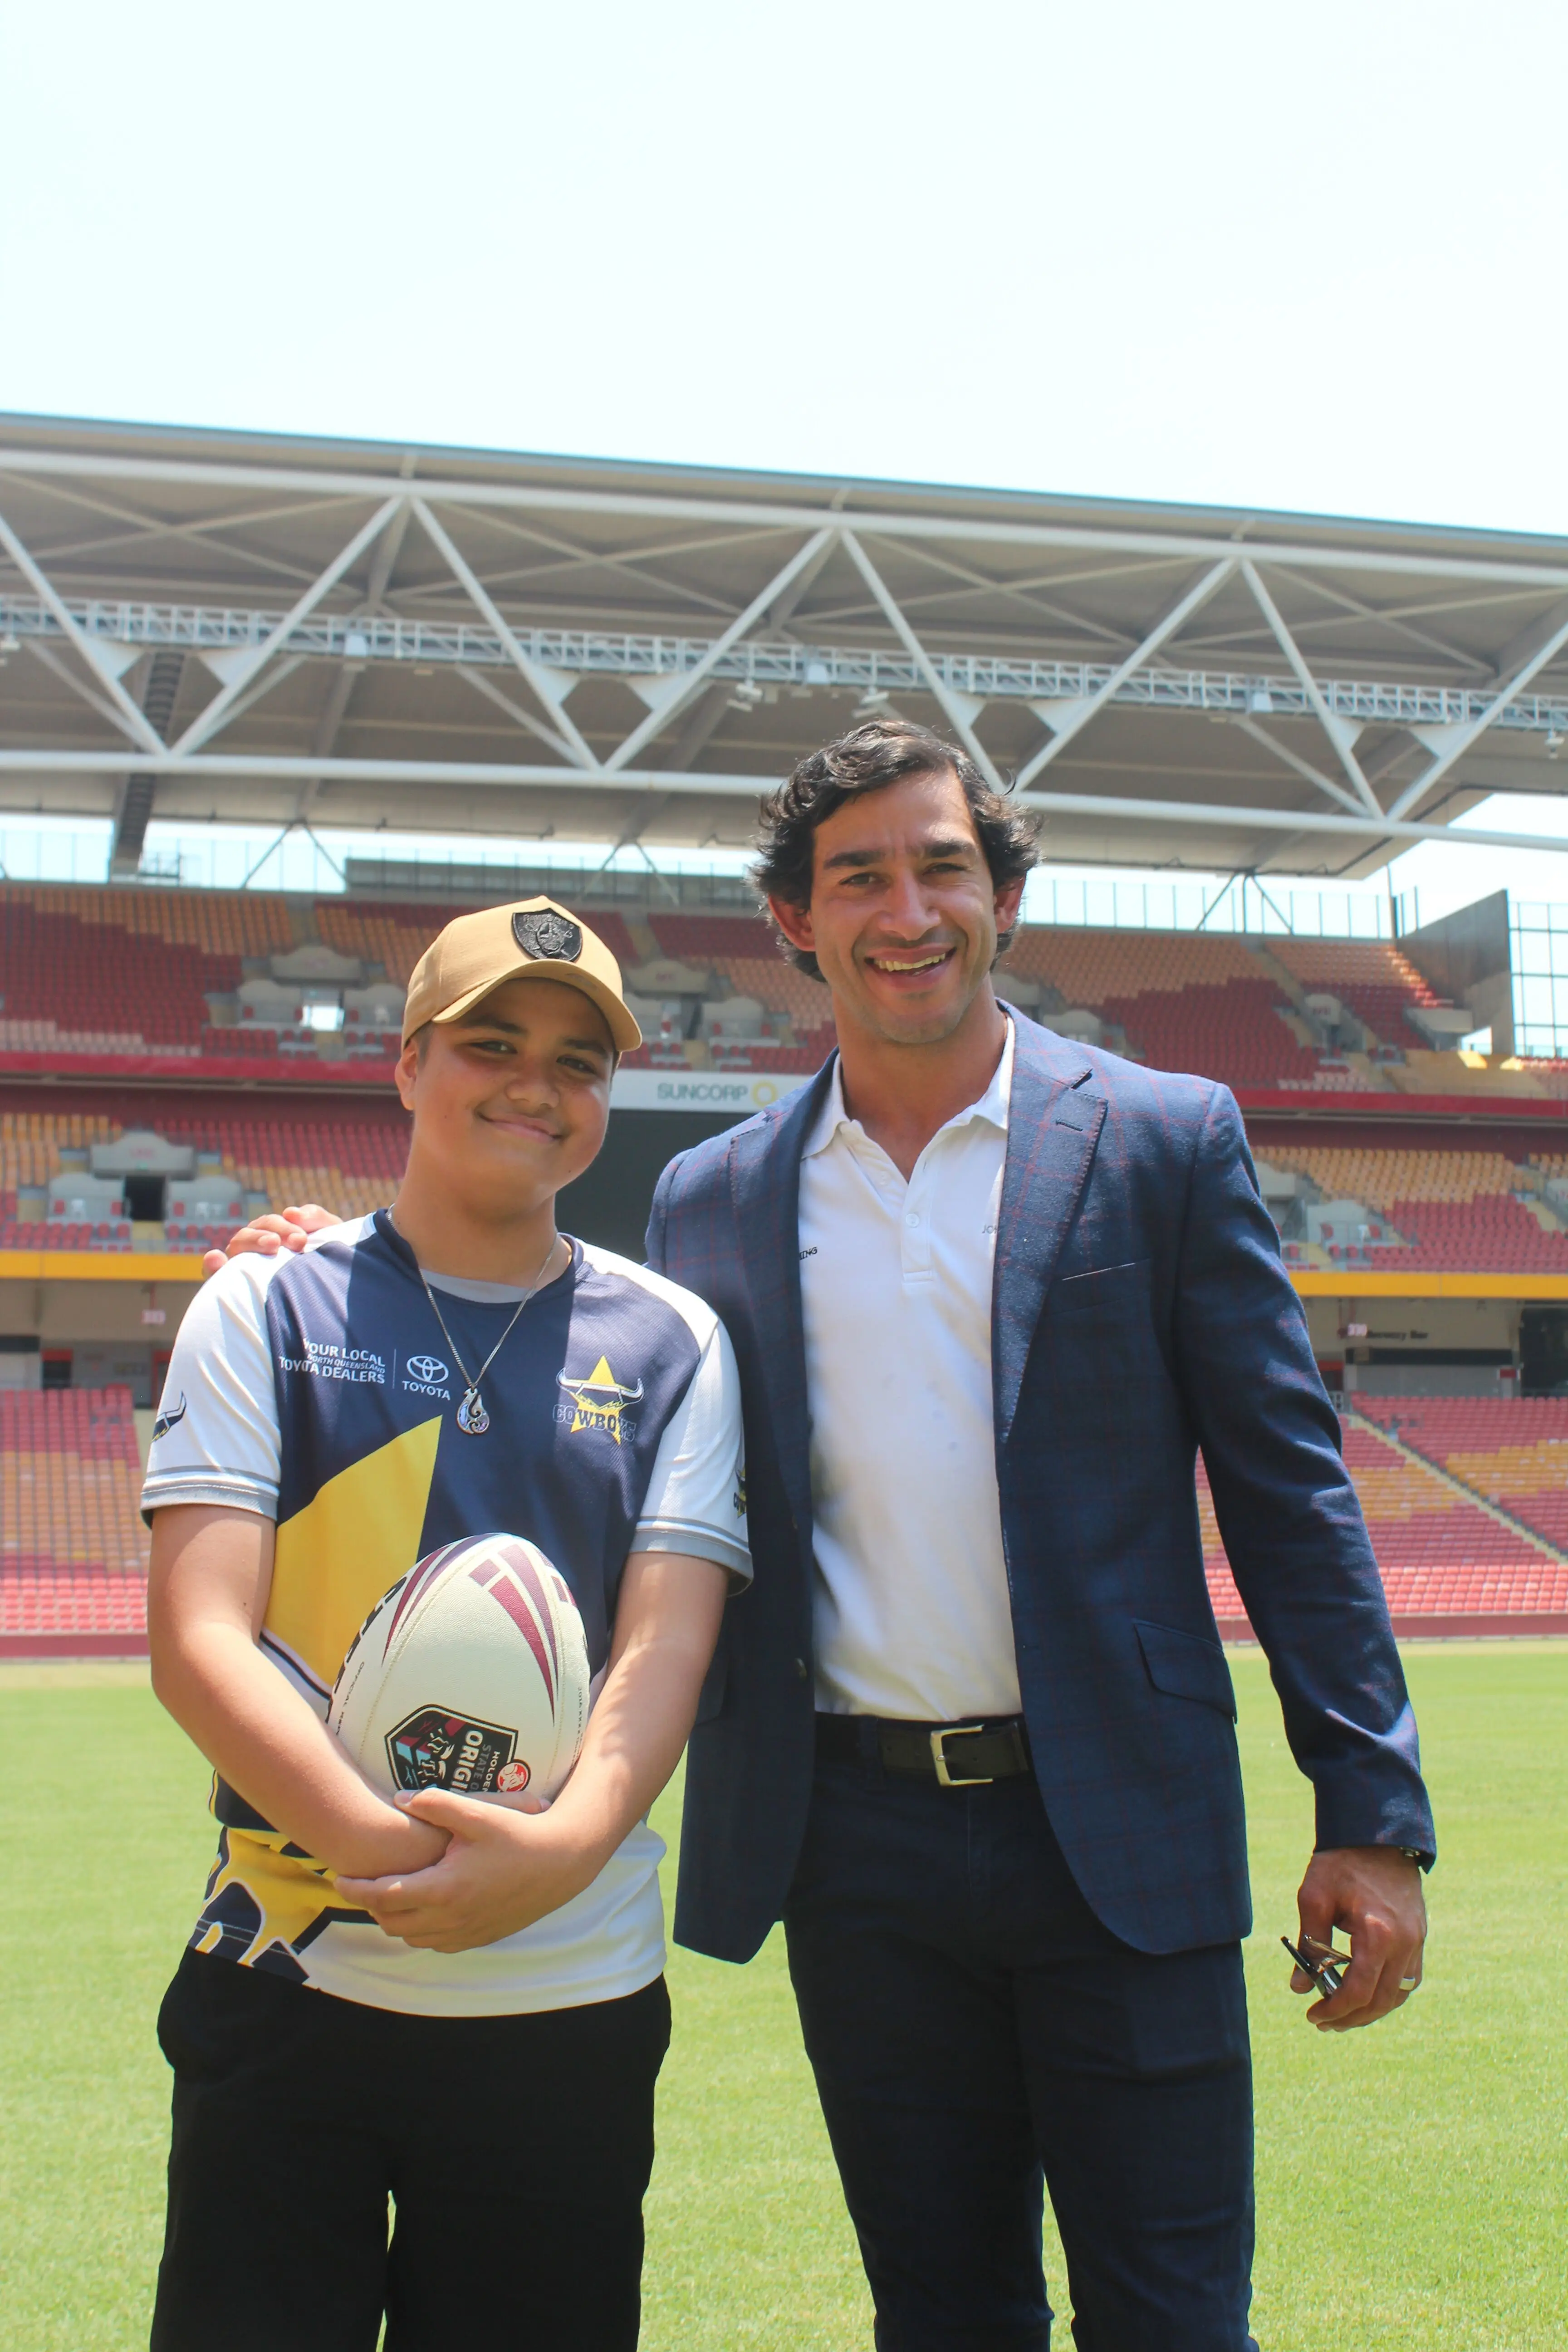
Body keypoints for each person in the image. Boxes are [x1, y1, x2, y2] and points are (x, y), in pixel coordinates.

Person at [223, 725, 1434, 2352]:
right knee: (942, 2314)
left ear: (1005, 895)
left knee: (1173, 2318)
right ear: (798, 920)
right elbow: (560, 1339)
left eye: (942, 866)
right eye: (858, 875)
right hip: (856, 1854)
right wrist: (318, 1256)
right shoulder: (717, 1197)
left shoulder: (1162, 1139)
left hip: (1120, 1843)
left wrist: (1372, 1813)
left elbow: (1293, 1495)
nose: (906, 909)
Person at [145, 897, 748, 2352]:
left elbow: (666, 1645)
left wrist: (559, 1853)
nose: (537, 1087)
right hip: (289, 1975)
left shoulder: (673, 1343)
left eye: (580, 1062)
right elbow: (199, 1642)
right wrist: (391, 1857)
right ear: (410, 1063)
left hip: (571, 1990)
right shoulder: (266, 1306)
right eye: (493, 1043)